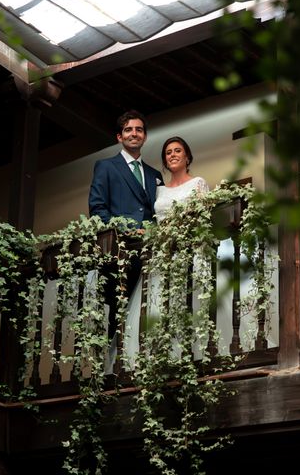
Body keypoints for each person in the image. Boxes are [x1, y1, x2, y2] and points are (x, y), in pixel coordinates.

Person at [88, 110, 163, 371]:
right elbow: (98, 209)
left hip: (149, 255)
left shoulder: (155, 174)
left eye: (139, 129)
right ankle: (112, 371)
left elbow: (158, 212)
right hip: (119, 254)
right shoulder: (106, 166)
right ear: (119, 136)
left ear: (145, 135)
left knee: (148, 310)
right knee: (116, 313)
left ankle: (147, 363)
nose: (134, 133)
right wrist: (128, 231)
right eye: (129, 130)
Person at [125, 136, 209, 365]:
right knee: (157, 307)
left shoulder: (198, 183)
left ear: (187, 156)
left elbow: (203, 222)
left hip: (185, 253)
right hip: (160, 257)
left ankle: (185, 357)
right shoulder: (159, 191)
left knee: (184, 301)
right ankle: (157, 358)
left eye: (177, 150)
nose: (172, 154)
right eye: (168, 152)